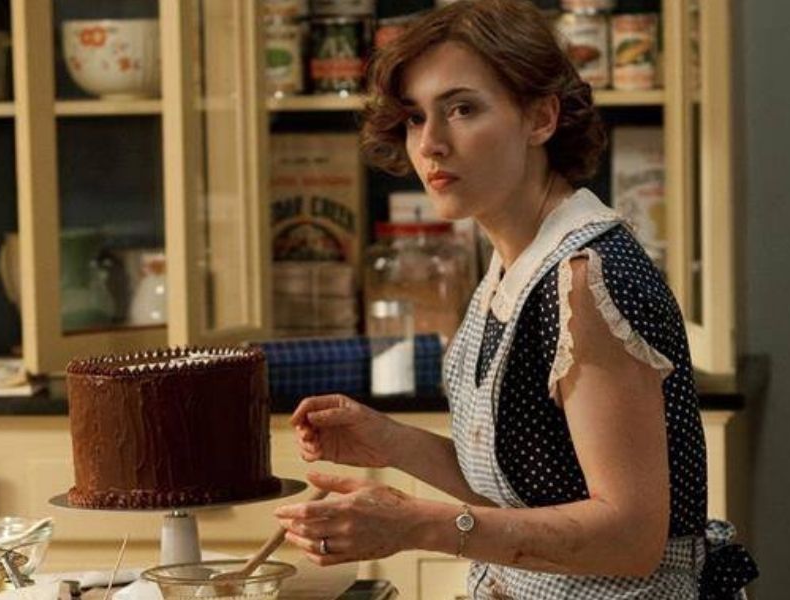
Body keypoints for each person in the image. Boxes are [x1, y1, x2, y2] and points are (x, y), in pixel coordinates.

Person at [273, 0, 758, 598]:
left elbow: (631, 537)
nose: (431, 145)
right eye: (416, 118)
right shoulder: (512, 265)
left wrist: (415, 524)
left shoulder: (585, 280)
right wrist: (392, 442)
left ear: (541, 118)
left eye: (462, 109)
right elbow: (530, 490)